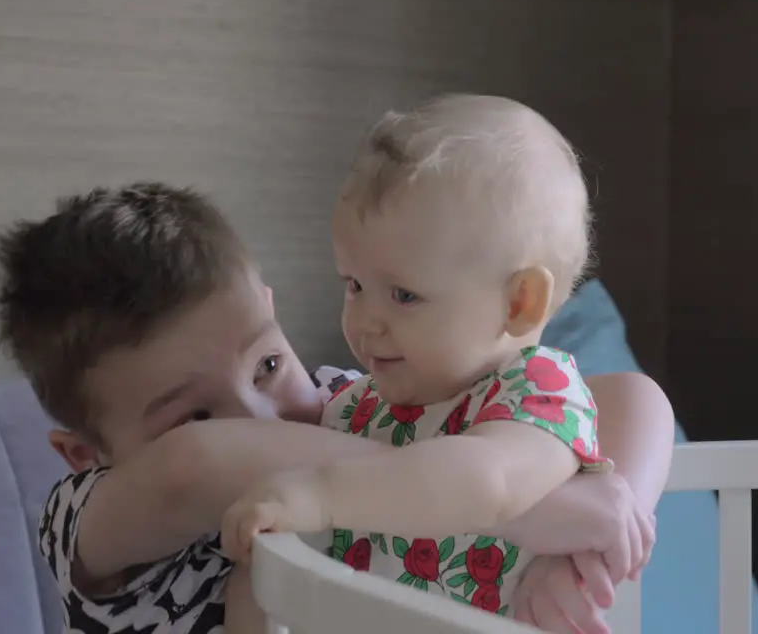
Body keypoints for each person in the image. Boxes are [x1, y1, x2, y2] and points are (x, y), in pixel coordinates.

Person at [0, 181, 673, 634]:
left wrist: (591, 546)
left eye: (267, 365)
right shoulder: (87, 521)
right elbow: (197, 465)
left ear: (271, 312)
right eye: (194, 413)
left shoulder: (360, 406)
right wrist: (509, 500)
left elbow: (623, 397)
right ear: (88, 454)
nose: (260, 419)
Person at [221, 94, 647, 622]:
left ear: (520, 303)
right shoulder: (360, 409)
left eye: (403, 295)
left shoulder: (537, 396)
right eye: (354, 285)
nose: (365, 322)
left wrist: (320, 492)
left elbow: (484, 482)